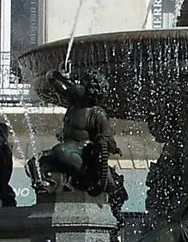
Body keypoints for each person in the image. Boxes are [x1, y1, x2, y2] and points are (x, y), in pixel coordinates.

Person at [28, 68, 126, 215]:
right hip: (67, 151)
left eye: (82, 84)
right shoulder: (72, 103)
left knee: (60, 151)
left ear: (90, 90)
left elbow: (110, 142)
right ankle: (44, 186)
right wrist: (58, 75)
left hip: (83, 154)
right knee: (33, 163)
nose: (77, 85)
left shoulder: (96, 113)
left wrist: (104, 142)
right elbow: (52, 79)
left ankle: (82, 179)